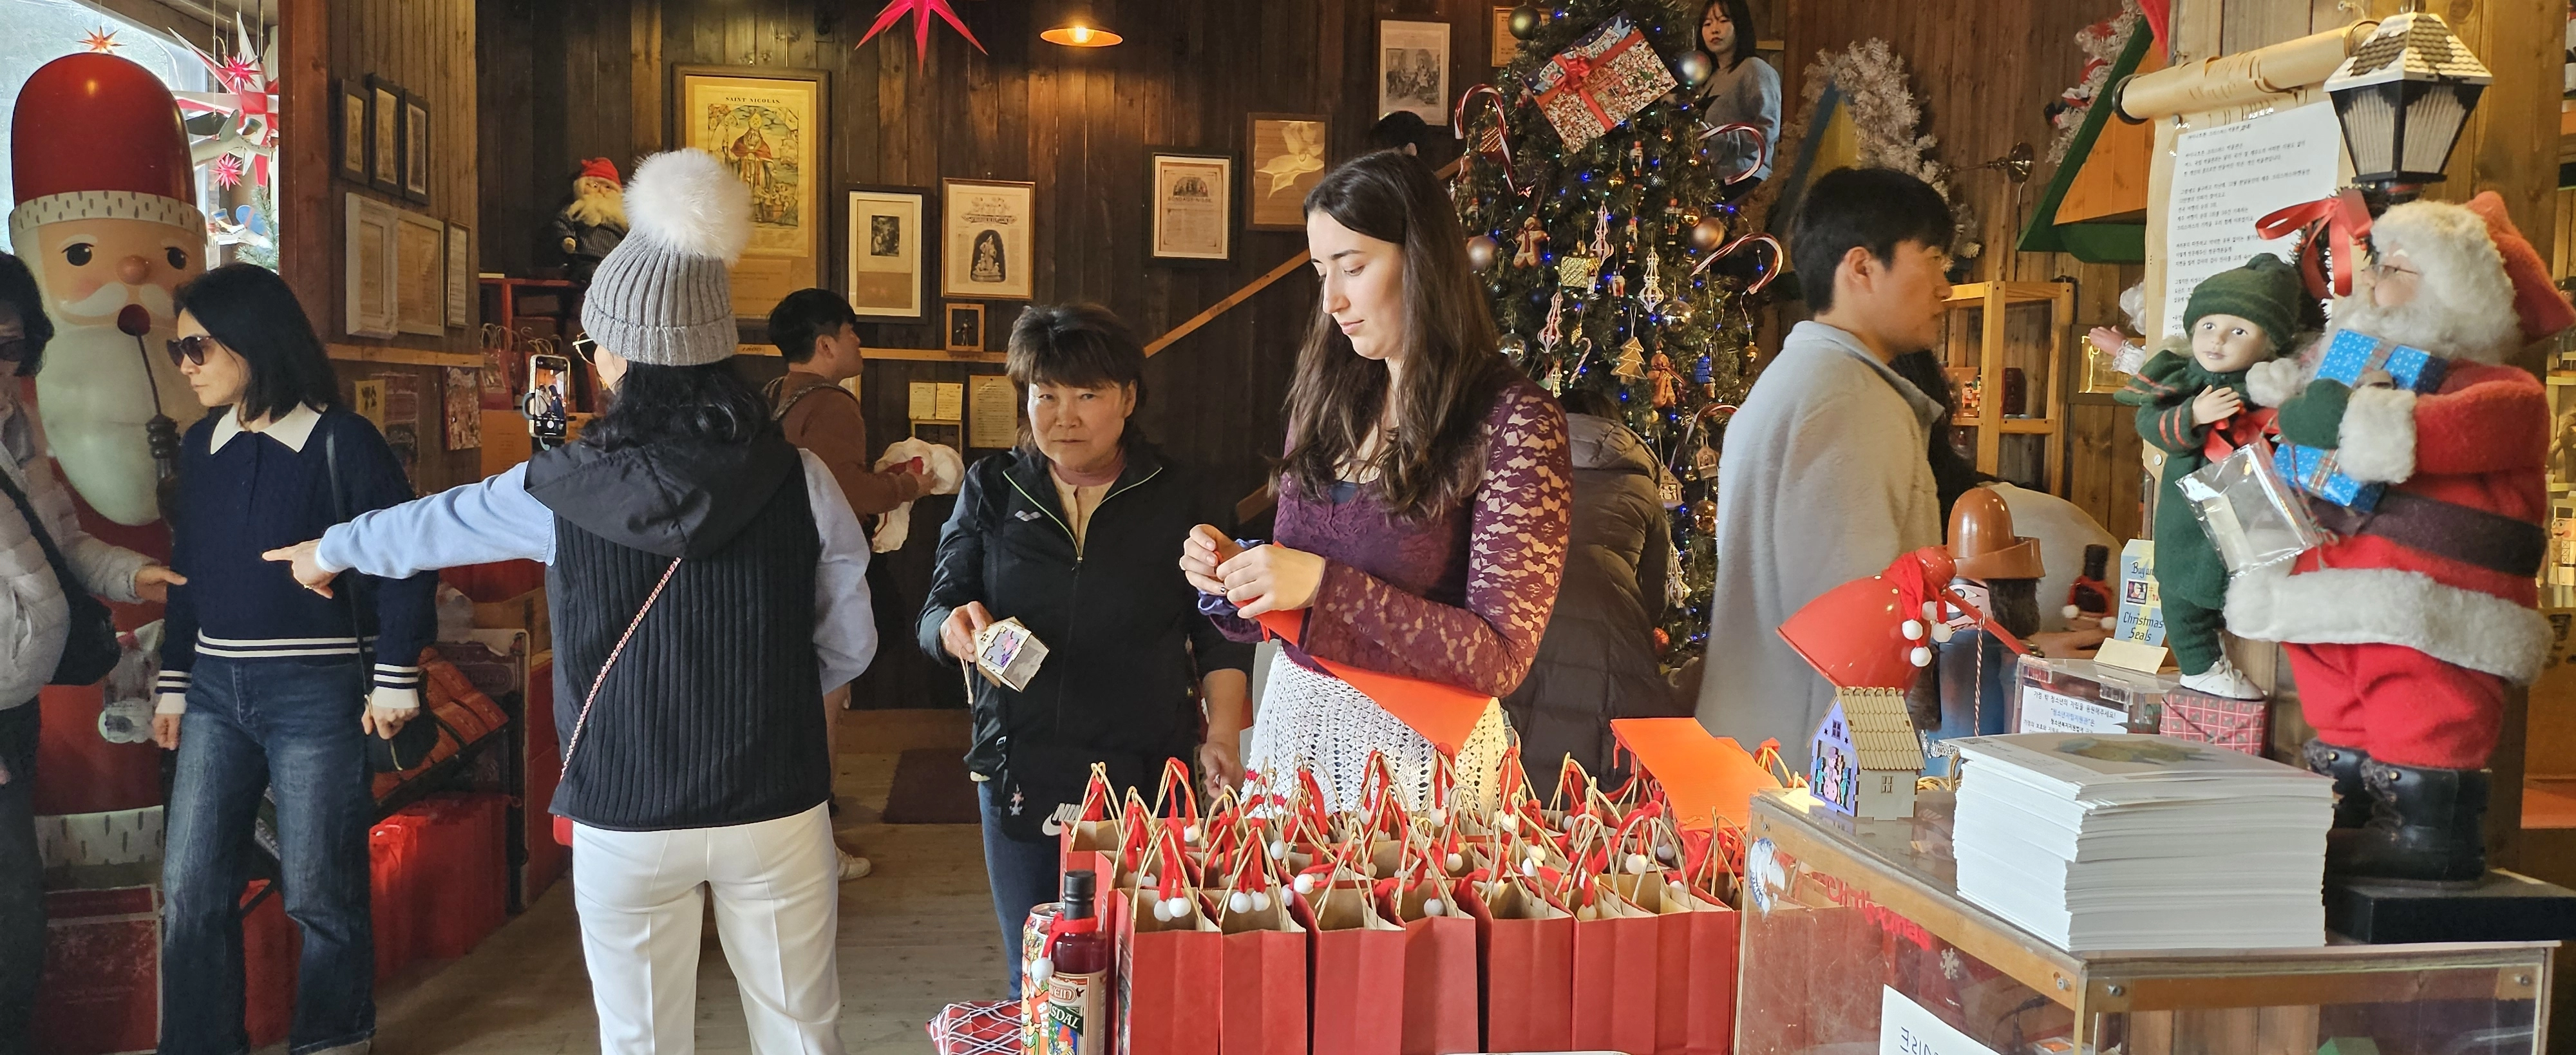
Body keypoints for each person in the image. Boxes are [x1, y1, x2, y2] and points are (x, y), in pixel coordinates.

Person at [267, 149, 878, 1051]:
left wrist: (329, 549)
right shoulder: (801, 476)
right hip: (776, 799)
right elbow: (850, 638)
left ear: (618, 353)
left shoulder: (554, 486)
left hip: (626, 811)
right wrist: (772, 689)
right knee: (801, 1031)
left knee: (640, 1038)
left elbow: (432, 526)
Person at [1181, 151, 1571, 813]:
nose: (1331, 300)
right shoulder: (1325, 398)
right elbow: (1290, 617)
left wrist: (1320, 586)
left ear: (1422, 262)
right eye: (1319, 272)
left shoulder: (1513, 420)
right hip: (1293, 739)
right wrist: (1240, 579)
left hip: (1419, 768)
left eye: (1353, 268)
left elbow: (1501, 657)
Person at [920, 303, 1253, 1000]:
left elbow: (1218, 628)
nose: (1062, 416)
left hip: (1146, 767)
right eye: (1045, 395)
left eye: (1086, 395)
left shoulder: (1182, 495)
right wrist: (954, 630)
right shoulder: (991, 487)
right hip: (1019, 762)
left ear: (1128, 399)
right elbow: (937, 607)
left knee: (1145, 966)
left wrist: (1222, 734)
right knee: (1038, 969)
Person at [149, 262, 435, 1055]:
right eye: (180, 352)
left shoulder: (341, 442)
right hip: (213, 691)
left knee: (321, 889)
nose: (188, 367)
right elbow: (190, 570)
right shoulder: (202, 445)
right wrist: (174, 684)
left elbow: (404, 556)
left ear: (252, 340)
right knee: (190, 890)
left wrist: (396, 674)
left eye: (198, 348)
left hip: (316, 691)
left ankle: (334, 1039)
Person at [1696, 166, 1951, 766]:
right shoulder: (1851, 400)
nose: (1946, 285)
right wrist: (1870, 791)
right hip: (1806, 769)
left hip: (1758, 744)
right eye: (1935, 259)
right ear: (1861, 267)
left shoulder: (1800, 380)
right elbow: (1857, 640)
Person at [0, 252, 178, 1055]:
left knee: (14, 921)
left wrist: (145, 575)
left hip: (15, 708)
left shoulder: (17, 431)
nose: (0, 362)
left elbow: (64, 545)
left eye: (9, 341)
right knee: (12, 922)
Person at [766, 289, 926, 883]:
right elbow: (848, 494)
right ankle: (815, 850)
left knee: (798, 705)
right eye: (853, 332)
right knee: (826, 706)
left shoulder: (773, 396)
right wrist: (910, 486)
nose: (860, 342)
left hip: (777, 568)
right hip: (818, 568)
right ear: (827, 343)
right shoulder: (834, 404)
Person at [2116, 254, 2306, 700]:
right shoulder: (2182, 377)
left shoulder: (2273, 385)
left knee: (2259, 567)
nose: (2217, 341)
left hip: (2254, 495)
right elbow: (2150, 423)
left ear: (2268, 343)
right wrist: (2194, 414)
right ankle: (2199, 663)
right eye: (2207, 327)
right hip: (2188, 502)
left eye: (2238, 331)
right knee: (2180, 577)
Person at [1499, 386, 1683, 789]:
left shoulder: (1521, 469)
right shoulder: (1641, 487)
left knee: (1518, 757)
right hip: (1613, 630)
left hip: (1528, 620)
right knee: (1606, 772)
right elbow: (1653, 592)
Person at [1696, 0, 1780, 193]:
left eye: (1723, 21)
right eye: (1707, 24)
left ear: (1739, 25)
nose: (1714, 30)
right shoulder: (1709, 77)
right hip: (1709, 184)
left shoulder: (1755, 69)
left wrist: (1723, 139)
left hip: (1744, 181)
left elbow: (1768, 130)